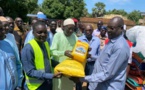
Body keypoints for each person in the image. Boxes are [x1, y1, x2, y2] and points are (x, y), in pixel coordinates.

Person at [70, 16, 130, 90]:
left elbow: (107, 74)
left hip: (109, 87)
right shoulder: (111, 41)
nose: (108, 30)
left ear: (121, 28)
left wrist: (81, 79)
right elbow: (103, 58)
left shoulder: (120, 47)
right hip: (99, 85)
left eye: (112, 28)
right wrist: (90, 56)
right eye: (108, 27)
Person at [21, 21, 61, 90]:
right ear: (33, 33)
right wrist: (51, 75)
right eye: (39, 32)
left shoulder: (45, 44)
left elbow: (47, 60)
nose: (43, 35)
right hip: (36, 87)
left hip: (47, 83)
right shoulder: (28, 48)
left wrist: (60, 65)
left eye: (45, 32)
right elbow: (30, 72)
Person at [51, 18, 78, 90]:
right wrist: (63, 53)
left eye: (73, 29)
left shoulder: (74, 37)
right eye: (69, 28)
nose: (71, 31)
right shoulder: (57, 36)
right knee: (58, 87)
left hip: (69, 70)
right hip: (59, 69)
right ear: (63, 27)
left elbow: (77, 51)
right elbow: (52, 52)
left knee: (68, 87)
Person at [0, 18, 23, 90]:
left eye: (2, 28)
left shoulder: (8, 44)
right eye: (0, 29)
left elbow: (18, 64)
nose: (3, 32)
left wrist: (19, 84)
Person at [77, 24, 100, 90]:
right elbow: (77, 52)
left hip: (92, 64)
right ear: (84, 31)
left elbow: (99, 56)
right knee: (79, 81)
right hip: (82, 64)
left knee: (91, 82)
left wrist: (92, 56)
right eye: (86, 30)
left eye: (90, 30)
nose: (88, 32)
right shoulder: (80, 39)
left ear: (92, 31)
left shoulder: (97, 40)